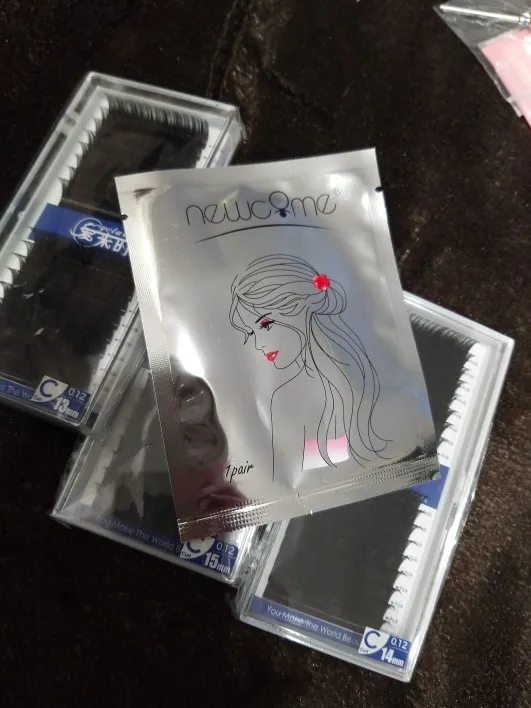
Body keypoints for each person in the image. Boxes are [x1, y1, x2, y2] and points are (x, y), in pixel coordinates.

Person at [229, 253, 392, 482]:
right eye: (251, 333)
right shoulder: (354, 375)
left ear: (298, 306)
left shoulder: (291, 396)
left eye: (265, 325)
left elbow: (317, 473)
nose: (258, 344)